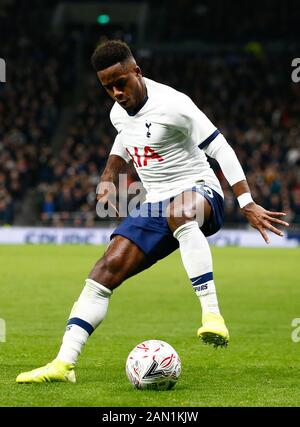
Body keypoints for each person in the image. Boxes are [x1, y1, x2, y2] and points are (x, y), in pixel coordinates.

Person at [16, 40, 289, 383]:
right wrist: (107, 176)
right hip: (156, 204)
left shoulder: (175, 105)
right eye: (107, 87)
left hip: (201, 193)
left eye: (121, 82)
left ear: (137, 72)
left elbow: (221, 147)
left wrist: (246, 202)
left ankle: (213, 316)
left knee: (180, 212)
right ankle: (63, 364)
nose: (116, 92)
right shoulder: (118, 112)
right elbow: (124, 139)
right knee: (103, 271)